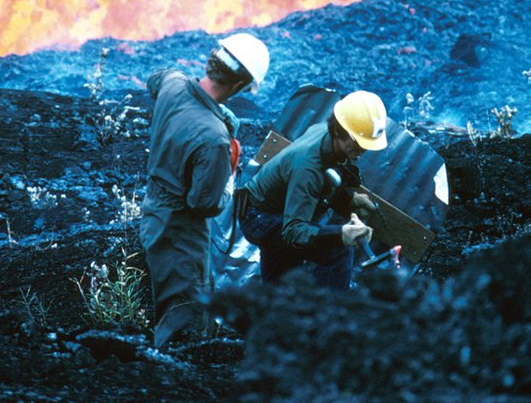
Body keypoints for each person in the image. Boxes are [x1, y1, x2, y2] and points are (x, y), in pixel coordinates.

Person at [139, 32, 270, 347]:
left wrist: (217, 114)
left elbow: (156, 80)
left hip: (153, 211)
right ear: (239, 86)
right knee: (185, 319)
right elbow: (204, 203)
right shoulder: (213, 139)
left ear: (213, 60)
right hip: (181, 233)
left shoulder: (173, 84)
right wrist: (228, 177)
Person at [237, 90, 388, 289]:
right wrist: (341, 235)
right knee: (338, 249)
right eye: (359, 142)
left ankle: (276, 310)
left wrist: (349, 200)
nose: (363, 150)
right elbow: (293, 232)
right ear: (340, 131)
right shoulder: (308, 166)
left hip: (275, 210)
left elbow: (323, 181)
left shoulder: (325, 134)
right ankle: (331, 315)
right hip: (260, 218)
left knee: (281, 287)